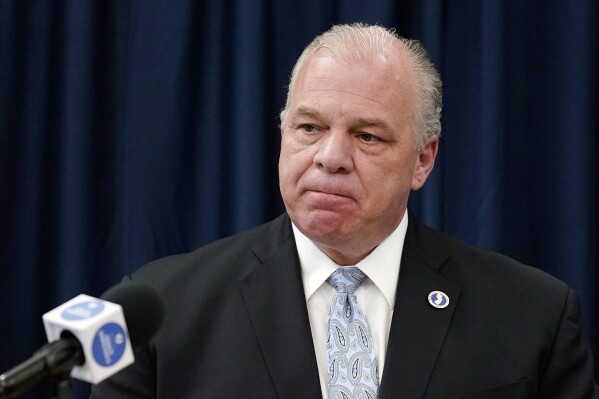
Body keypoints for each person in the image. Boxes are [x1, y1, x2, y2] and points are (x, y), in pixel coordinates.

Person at [91, 23, 598, 398]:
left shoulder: (533, 317)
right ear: (283, 134)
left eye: (367, 135)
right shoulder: (157, 312)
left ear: (423, 159)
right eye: (309, 128)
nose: (330, 158)